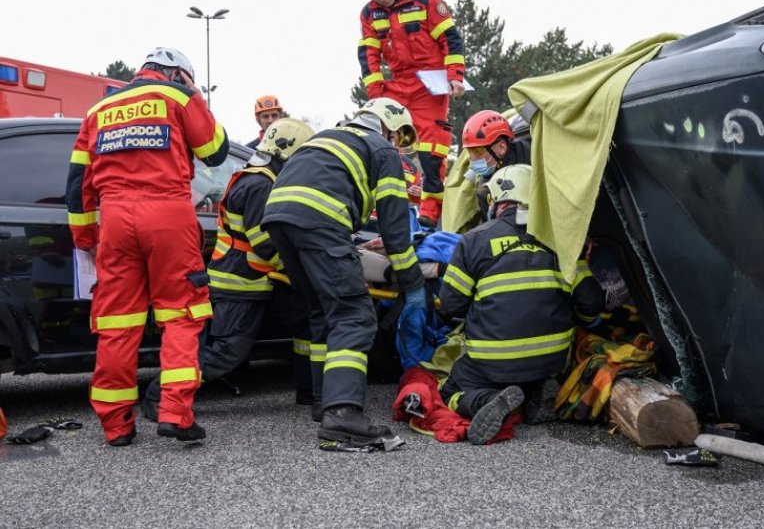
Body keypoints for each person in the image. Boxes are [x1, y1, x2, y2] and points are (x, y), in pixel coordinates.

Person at [66, 47, 229, 446]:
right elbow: (215, 151)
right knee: (183, 313)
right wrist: (196, 97)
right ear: (178, 74)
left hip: (116, 221)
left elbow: (77, 186)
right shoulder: (178, 96)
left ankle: (116, 425)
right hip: (168, 215)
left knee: (118, 323)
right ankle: (175, 413)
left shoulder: (98, 110)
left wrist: (88, 239)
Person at [262, 97, 425, 450]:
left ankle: (324, 400)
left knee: (324, 310)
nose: (398, 144)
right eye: (398, 136)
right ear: (388, 127)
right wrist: (413, 285)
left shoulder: (326, 136)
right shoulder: (381, 150)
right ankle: (343, 416)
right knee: (354, 314)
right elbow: (397, 233)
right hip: (319, 220)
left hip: (279, 219)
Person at [140, 118, 316, 421]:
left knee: (304, 323)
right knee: (227, 353)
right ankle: (160, 396)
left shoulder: (255, 178)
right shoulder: (260, 185)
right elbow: (266, 245)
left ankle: (308, 389)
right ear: (287, 153)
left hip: (254, 280)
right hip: (241, 284)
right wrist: (305, 265)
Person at [438, 164, 605, 444]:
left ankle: (486, 400)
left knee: (449, 388)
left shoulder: (474, 240)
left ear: (496, 202)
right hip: (552, 359)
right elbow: (591, 303)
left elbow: (451, 305)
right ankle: (535, 390)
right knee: (536, 365)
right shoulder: (562, 241)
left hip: (492, 362)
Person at [354, 0, 466, 228]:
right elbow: (369, 54)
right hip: (398, 82)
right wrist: (375, 93)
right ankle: (374, 202)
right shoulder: (369, 14)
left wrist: (455, 77)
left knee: (431, 147)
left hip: (430, 82)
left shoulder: (425, 0)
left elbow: (451, 39)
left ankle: (430, 206)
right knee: (379, 141)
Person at [461, 109, 532, 219]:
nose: (472, 159)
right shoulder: (484, 190)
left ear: (501, 147)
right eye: (469, 151)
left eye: (477, 151)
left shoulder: (532, 156)